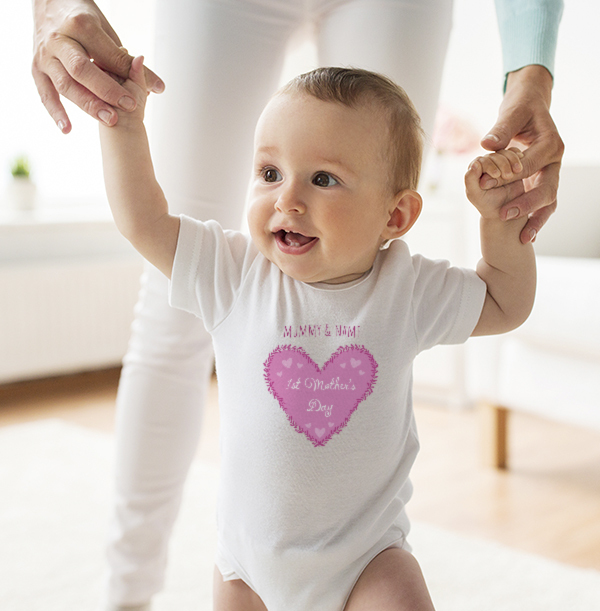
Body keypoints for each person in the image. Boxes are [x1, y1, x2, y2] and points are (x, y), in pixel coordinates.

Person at [31, 1, 563, 609]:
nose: (287, 199)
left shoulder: (405, 287)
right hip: (248, 571)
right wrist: (122, 125)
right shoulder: (234, 272)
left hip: (369, 562)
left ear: (396, 216)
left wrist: (500, 230)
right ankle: (125, 594)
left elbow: (503, 301)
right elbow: (144, 220)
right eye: (269, 172)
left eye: (324, 179)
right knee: (163, 333)